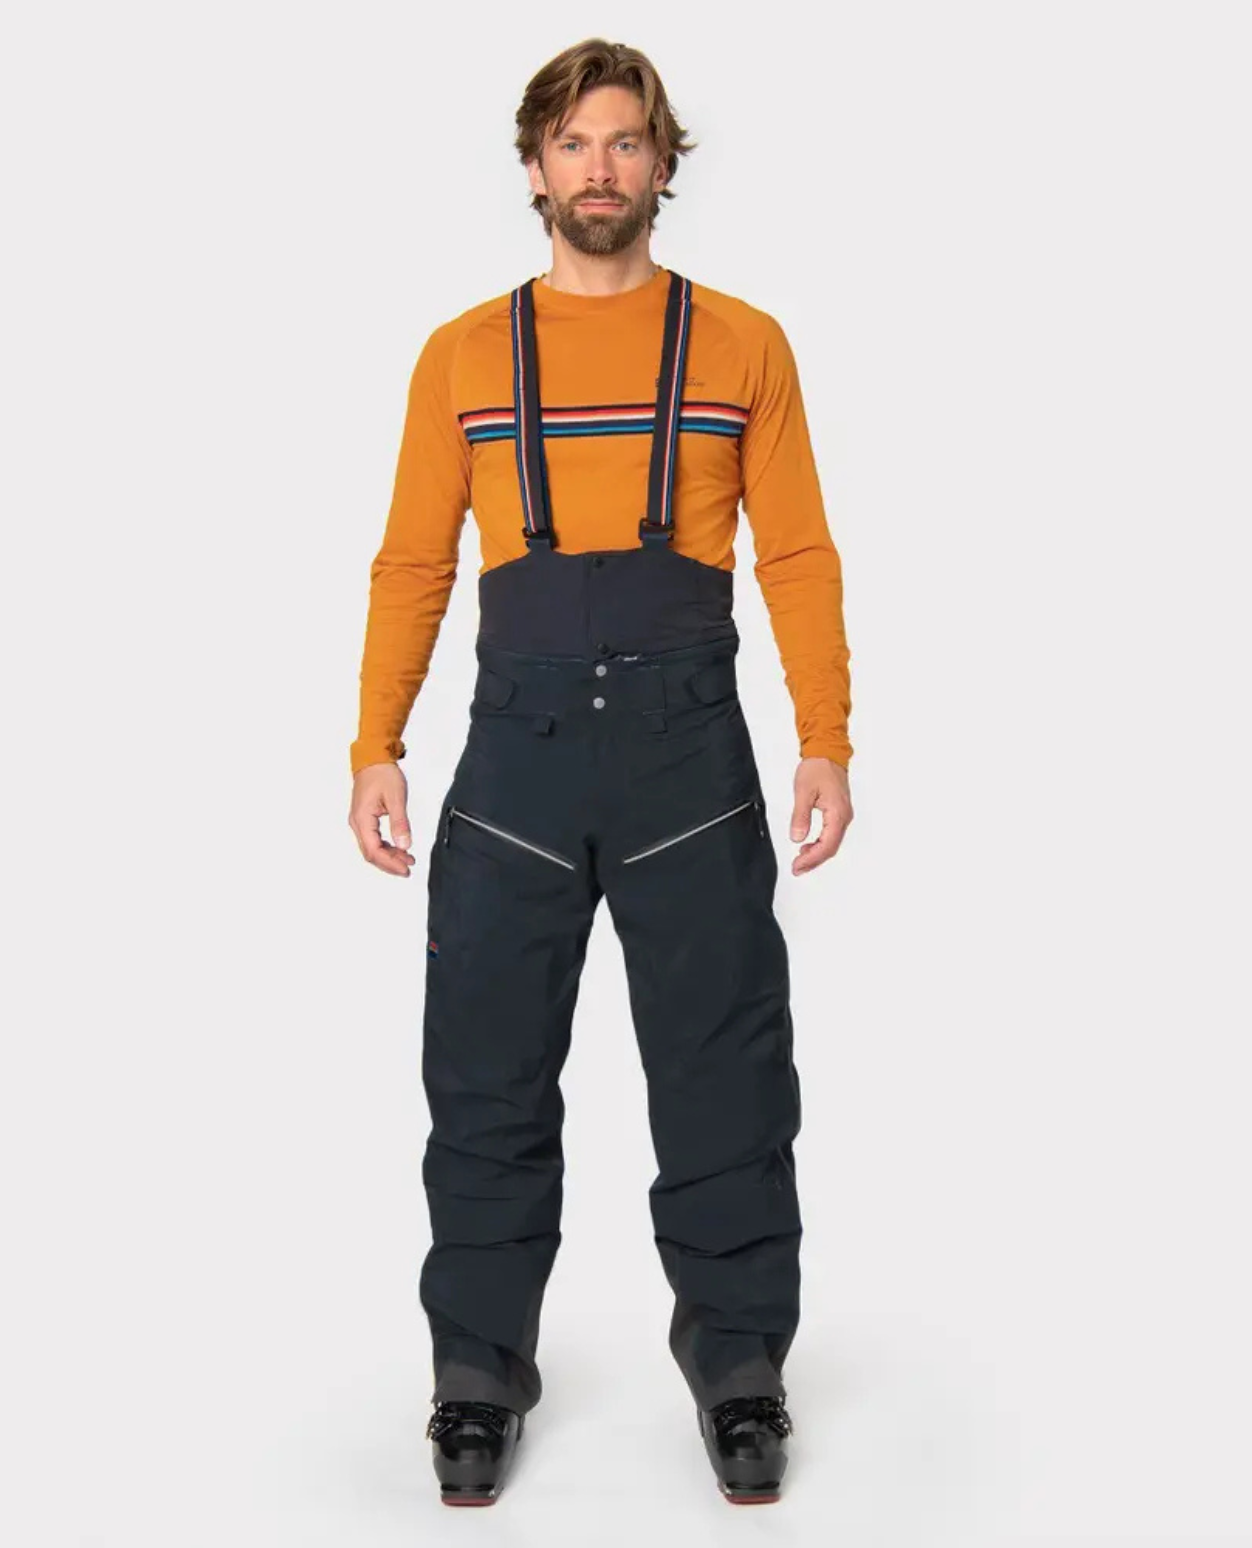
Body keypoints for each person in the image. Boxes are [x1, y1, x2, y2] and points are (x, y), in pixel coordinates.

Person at [347, 36, 854, 1507]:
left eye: (626, 141)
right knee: (485, 1075)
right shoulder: (460, 356)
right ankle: (475, 1373)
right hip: (513, 762)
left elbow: (797, 552)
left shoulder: (744, 345)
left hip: (691, 761)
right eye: (573, 143)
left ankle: (741, 1368)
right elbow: (413, 562)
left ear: (663, 163)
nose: (600, 168)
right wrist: (375, 744)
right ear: (533, 167)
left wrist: (825, 734)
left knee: (725, 1072)